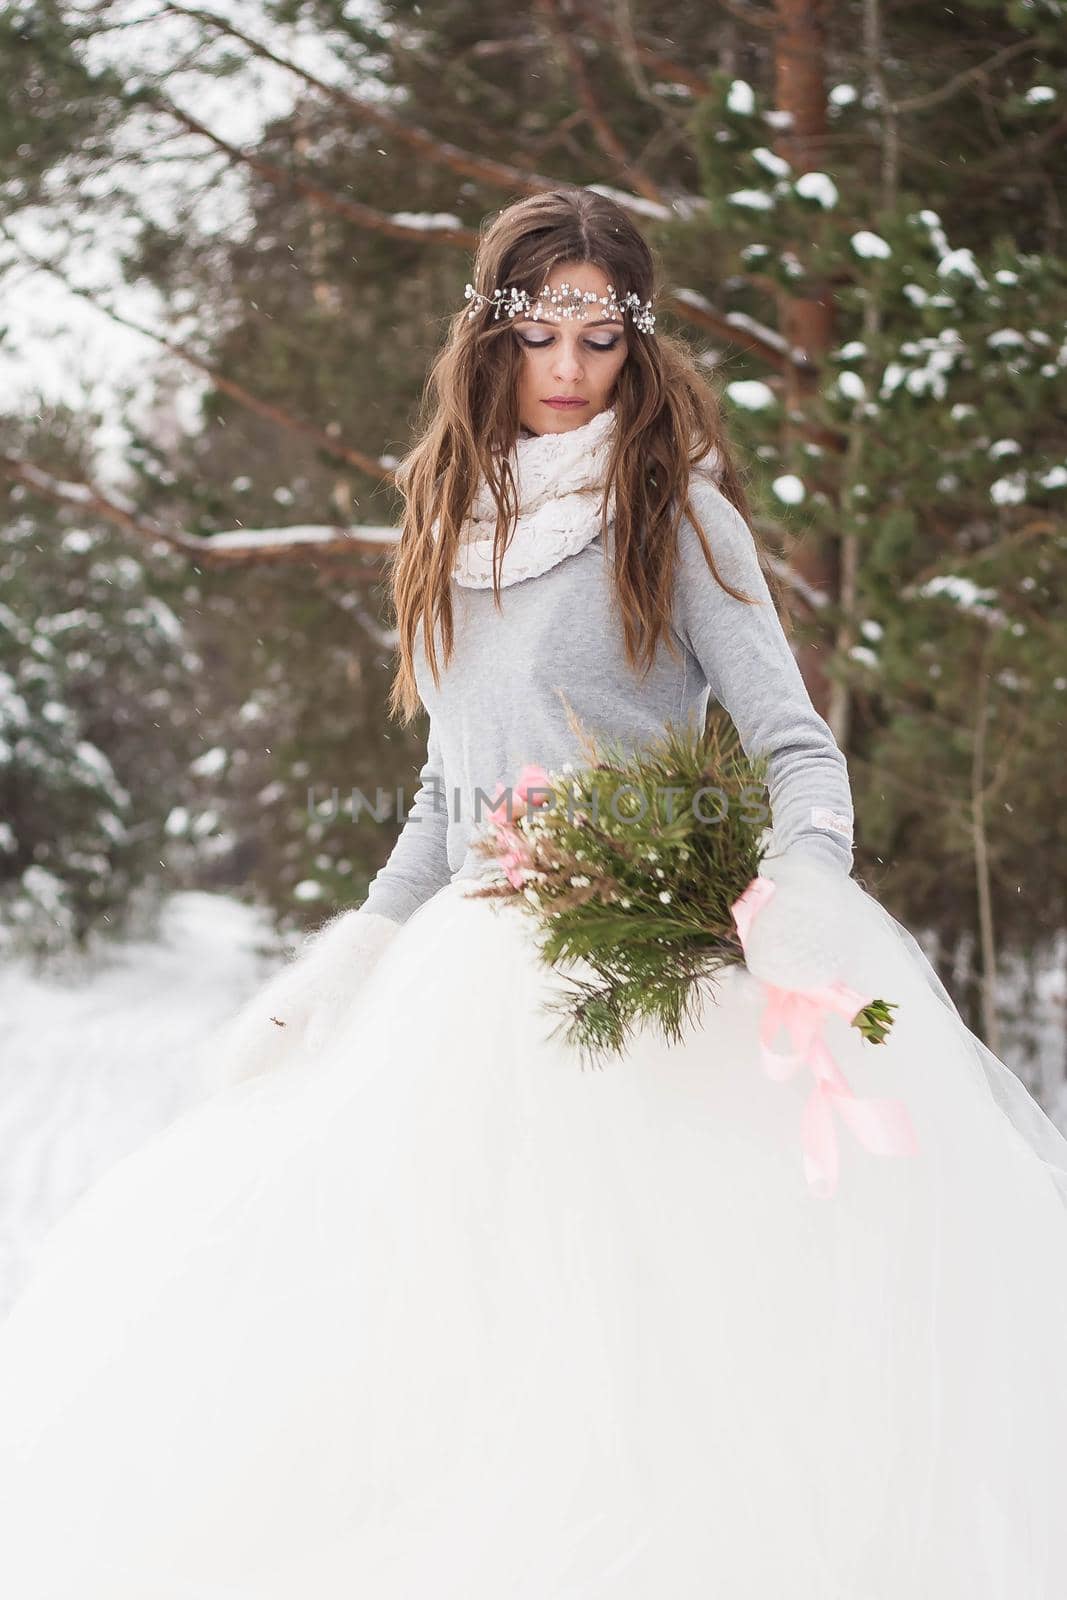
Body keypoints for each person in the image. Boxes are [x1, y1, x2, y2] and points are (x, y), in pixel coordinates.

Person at [2, 187, 1067, 1599]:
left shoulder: (674, 515)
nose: (569, 368)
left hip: (650, 985)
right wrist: (358, 955)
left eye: (600, 338)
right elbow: (449, 806)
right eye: (541, 333)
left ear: (637, 346)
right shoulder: (448, 524)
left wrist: (801, 891)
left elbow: (800, 754)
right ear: (488, 338)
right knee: (442, 1355)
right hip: (469, 993)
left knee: (652, 1358)